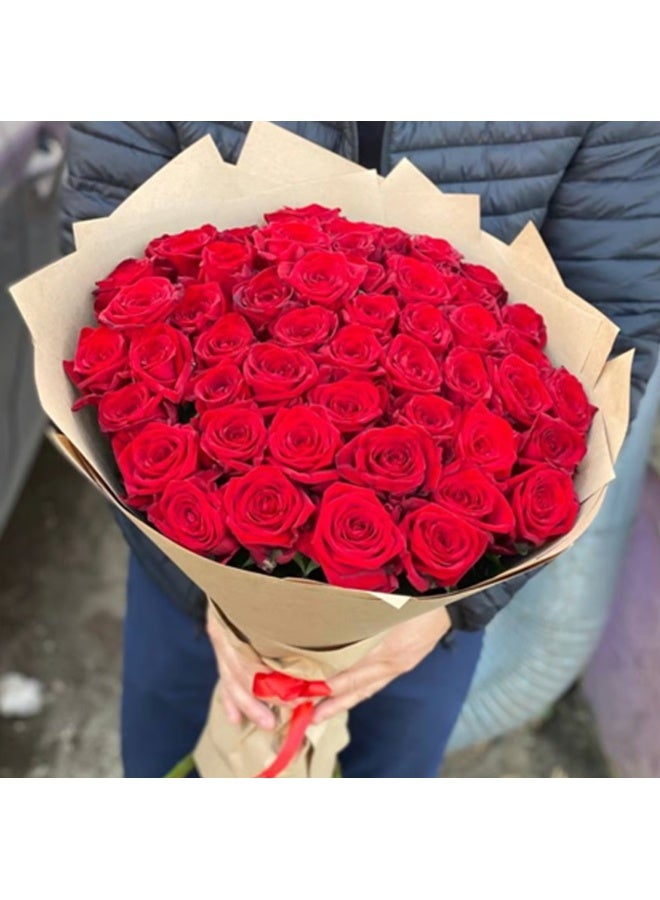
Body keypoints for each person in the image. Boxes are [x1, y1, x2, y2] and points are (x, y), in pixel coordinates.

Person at [60, 121, 660, 778]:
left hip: (430, 610)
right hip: (187, 575)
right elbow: (103, 245)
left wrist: (457, 606)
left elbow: (611, 327)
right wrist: (219, 603)